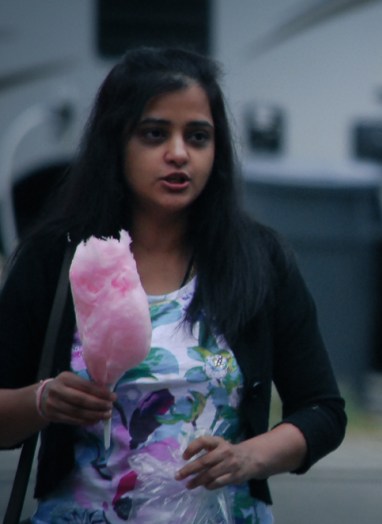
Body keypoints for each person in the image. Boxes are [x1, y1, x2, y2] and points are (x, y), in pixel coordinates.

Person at [0, 47, 347, 522]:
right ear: (115, 142)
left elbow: (323, 412)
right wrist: (42, 401)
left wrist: (248, 456)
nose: (179, 154)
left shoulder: (259, 260)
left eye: (198, 136)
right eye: (155, 134)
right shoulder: (57, 257)